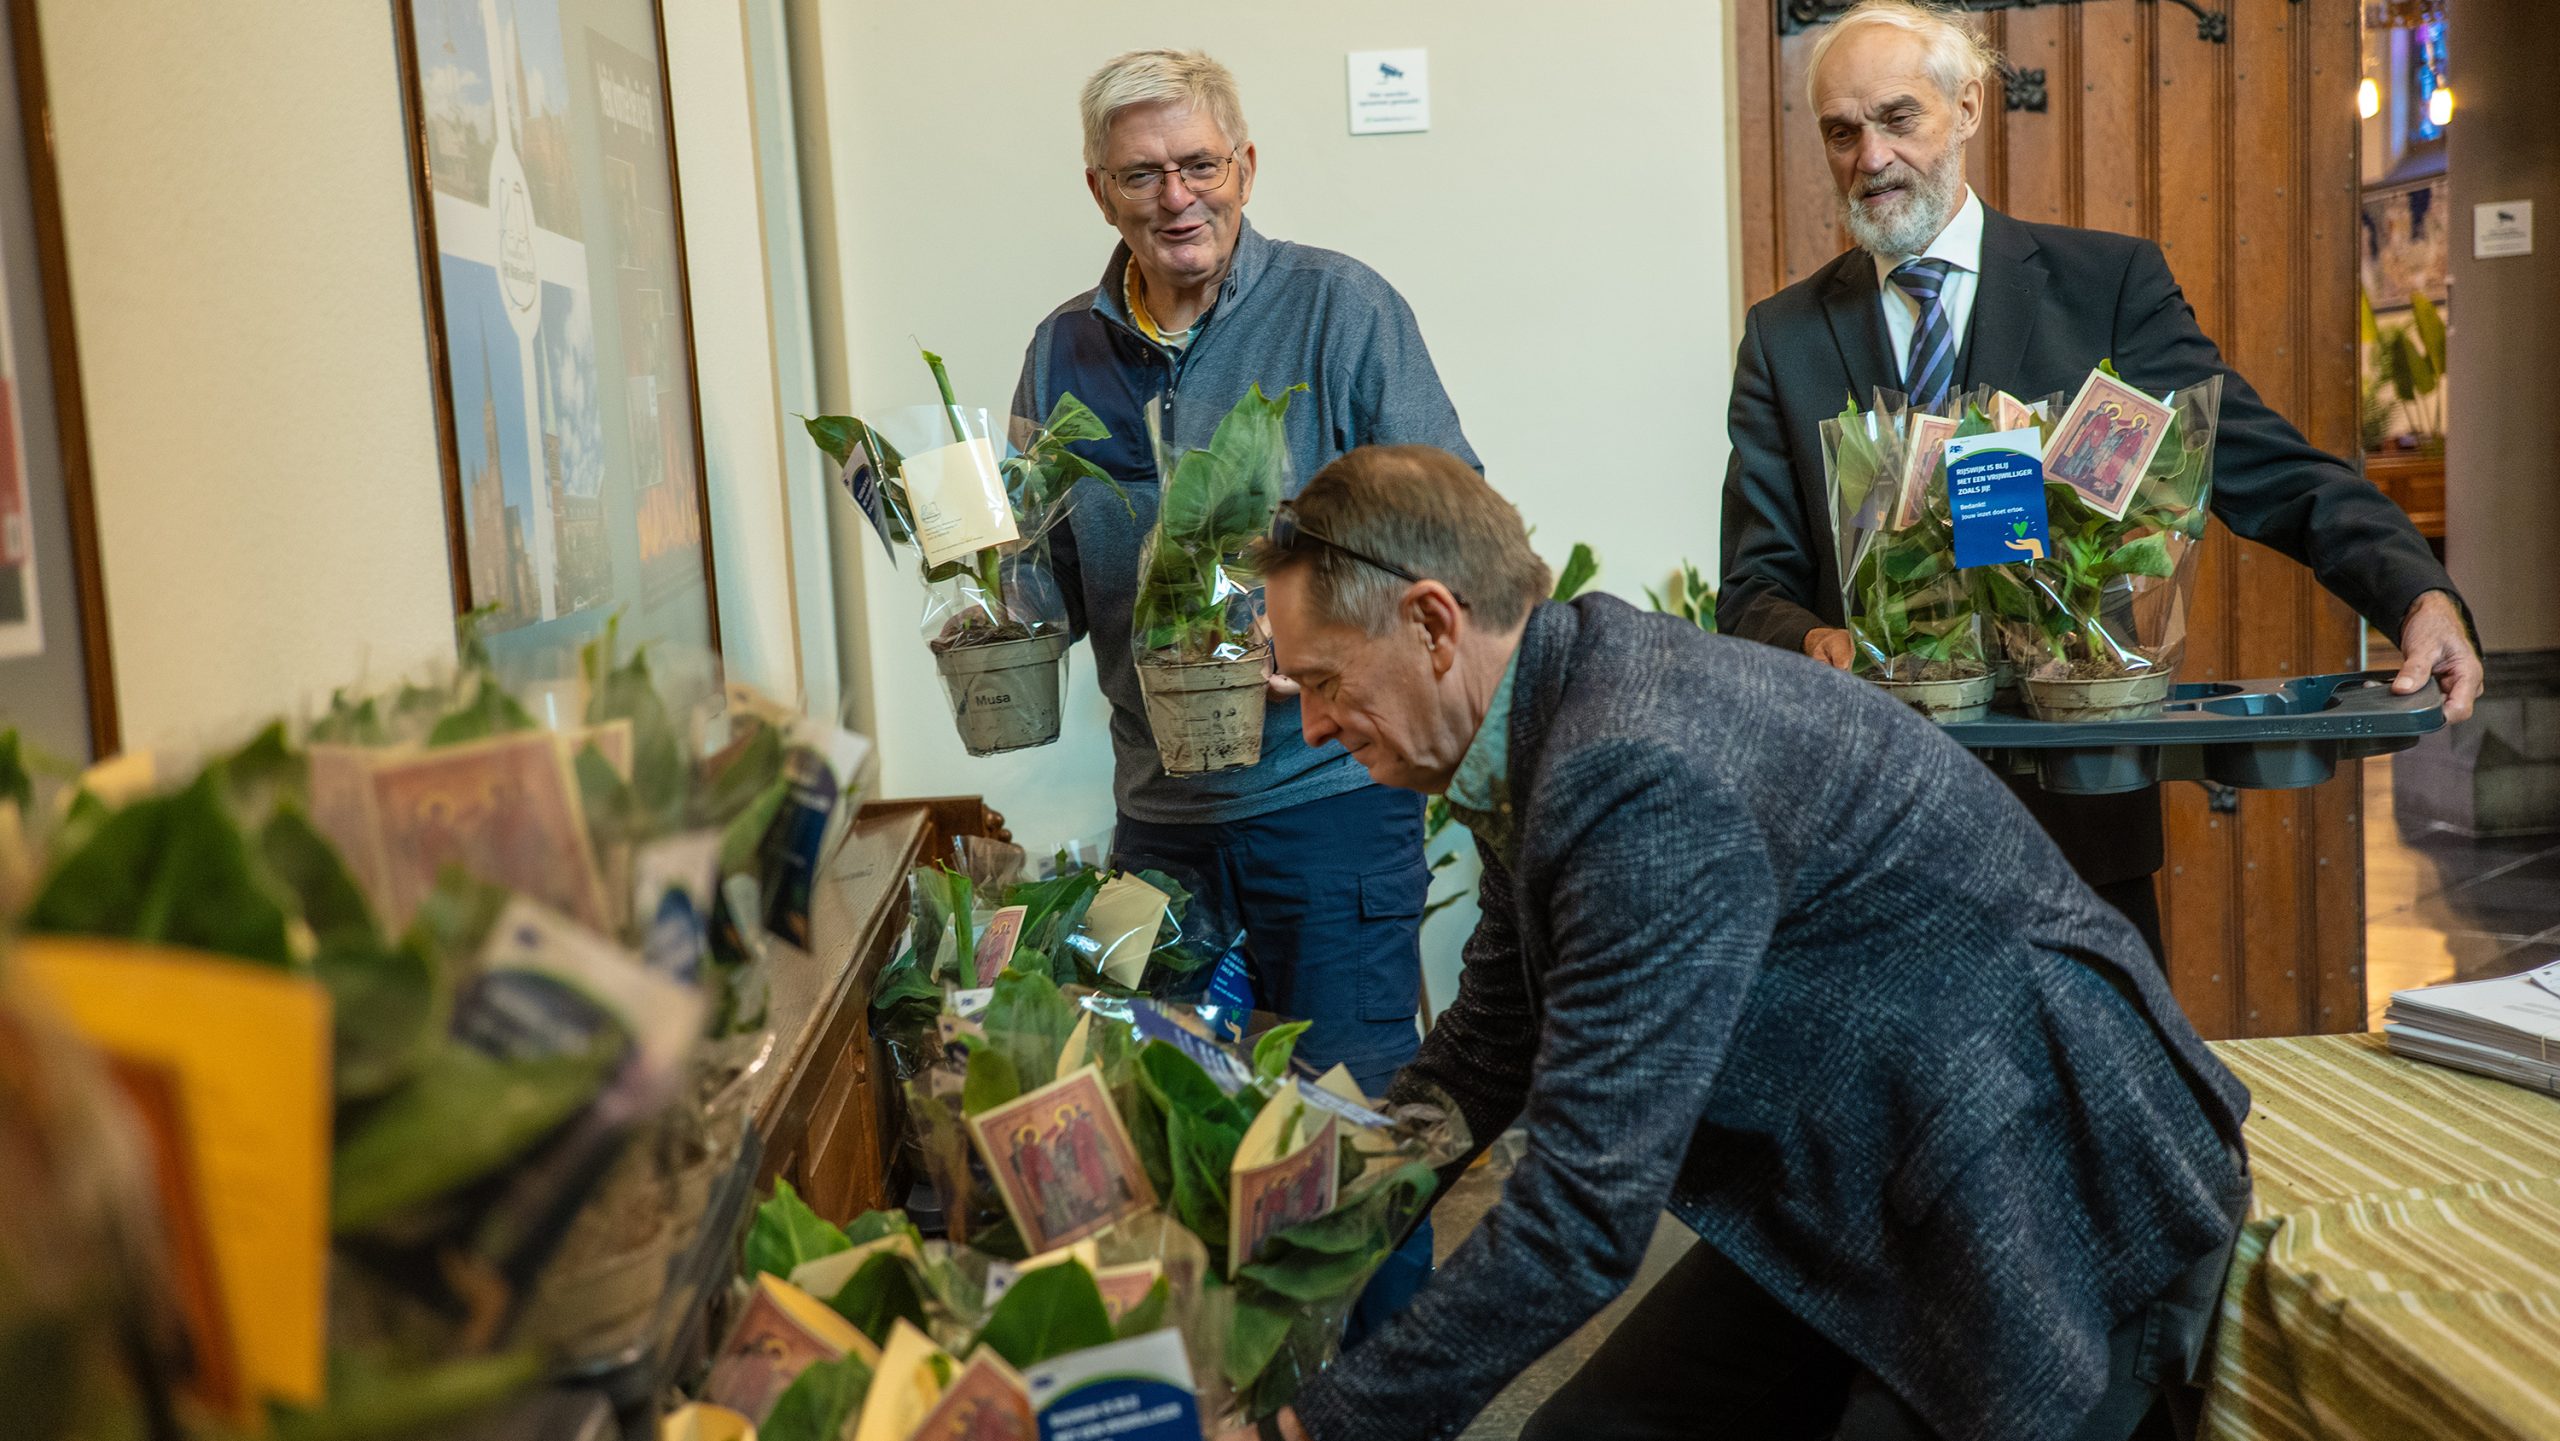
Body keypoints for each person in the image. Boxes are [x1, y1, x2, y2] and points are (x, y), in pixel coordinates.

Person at [1234, 444, 2250, 1441]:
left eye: (1323, 680)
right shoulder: (1546, 716)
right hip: (1882, 1173)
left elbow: (1583, 1215)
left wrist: (1304, 1430)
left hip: (2049, 1196)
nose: (1313, 727)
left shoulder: (1629, 772)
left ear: (1431, 622)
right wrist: (1300, 1227)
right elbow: (1490, 1046)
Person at [1717, 0, 2482, 957]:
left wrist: (2415, 592)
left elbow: (2263, 465)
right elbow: (1751, 590)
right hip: (1868, 848)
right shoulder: (1784, 341)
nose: (1870, 156)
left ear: (1967, 110)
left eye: (1898, 117)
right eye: (1842, 131)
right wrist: (1826, 642)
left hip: (2074, 842)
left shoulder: (2105, 288)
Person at [1010, 47, 1476, 1317]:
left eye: (1200, 165)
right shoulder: (1061, 353)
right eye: (1144, 174)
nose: (1178, 197)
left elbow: (1450, 530)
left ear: (1246, 166)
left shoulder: (1342, 310)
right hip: (1157, 824)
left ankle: (1385, 1402)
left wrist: (1321, 629)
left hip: (1330, 805)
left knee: (1351, 1144)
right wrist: (962, 564)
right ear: (1100, 191)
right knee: (1173, 1150)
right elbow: (1035, 582)